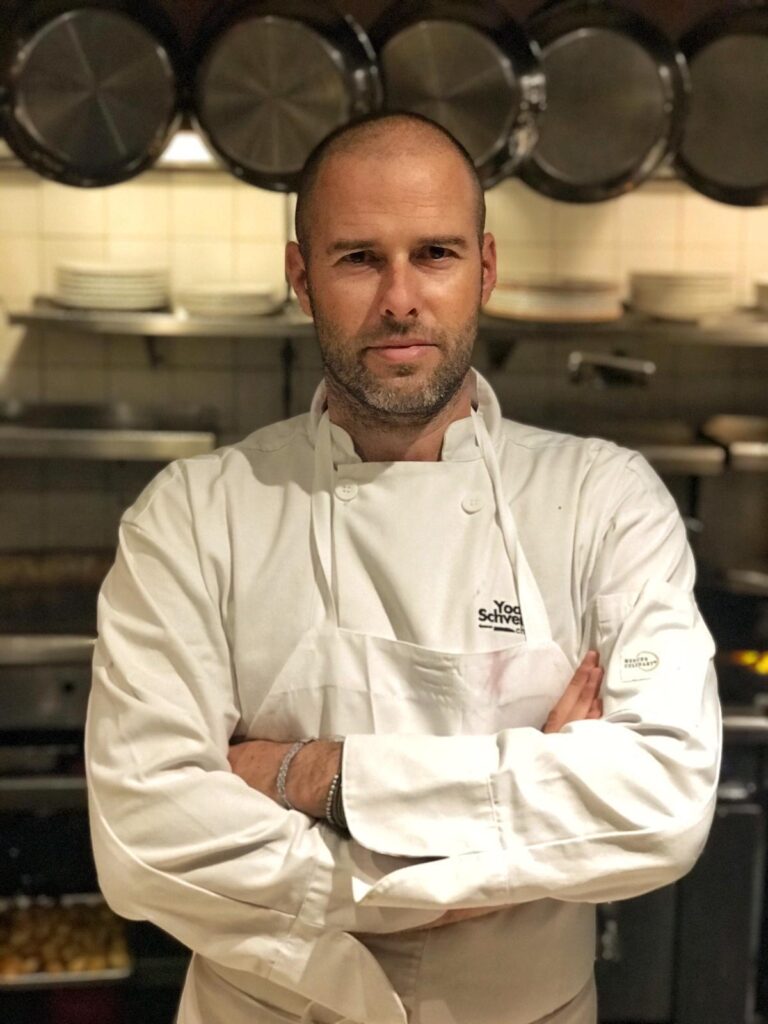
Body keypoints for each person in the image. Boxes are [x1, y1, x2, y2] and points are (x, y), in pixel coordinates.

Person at [85, 113, 721, 1024]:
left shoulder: (603, 500)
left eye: (434, 253)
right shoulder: (193, 515)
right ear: (300, 276)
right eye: (357, 258)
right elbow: (143, 836)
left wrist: (314, 776)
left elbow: (662, 804)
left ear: (486, 269)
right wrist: (502, 833)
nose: (400, 298)